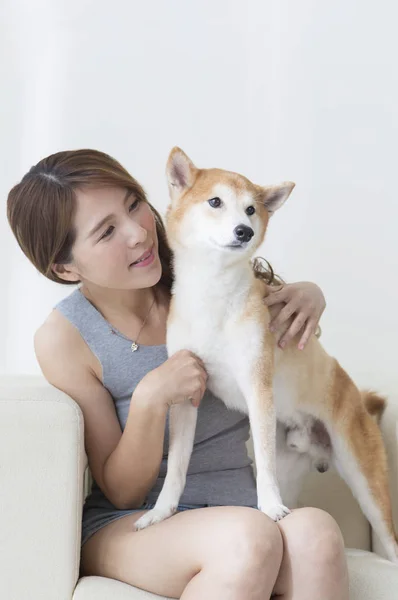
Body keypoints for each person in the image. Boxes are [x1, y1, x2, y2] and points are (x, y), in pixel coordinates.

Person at [7, 149, 349, 600]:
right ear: (66, 267)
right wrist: (151, 396)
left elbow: (282, 350)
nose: (138, 234)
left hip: (237, 500)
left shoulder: (207, 270)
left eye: (134, 204)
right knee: (246, 541)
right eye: (107, 231)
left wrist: (310, 295)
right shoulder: (66, 336)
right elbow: (123, 491)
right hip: (134, 522)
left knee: (318, 537)